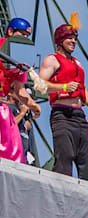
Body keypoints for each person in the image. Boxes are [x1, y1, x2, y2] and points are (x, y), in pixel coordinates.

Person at [38, 17, 88, 181]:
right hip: (62, 115)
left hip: (79, 116)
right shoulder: (52, 60)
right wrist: (63, 87)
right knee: (64, 158)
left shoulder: (77, 63)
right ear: (60, 40)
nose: (73, 41)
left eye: (75, 38)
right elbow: (40, 84)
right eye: (69, 38)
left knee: (87, 162)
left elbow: (82, 87)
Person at [2, 18, 40, 163]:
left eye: (27, 36)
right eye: (22, 34)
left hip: (3, 109)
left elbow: (20, 91)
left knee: (14, 156)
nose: (25, 39)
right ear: (10, 32)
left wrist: (33, 106)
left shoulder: (20, 61)